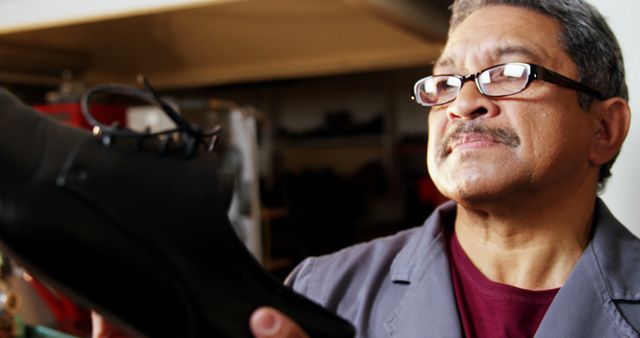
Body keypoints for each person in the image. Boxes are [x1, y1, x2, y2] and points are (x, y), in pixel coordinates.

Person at [94, 0, 637, 337]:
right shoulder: (320, 290)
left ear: (604, 130)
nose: (463, 104)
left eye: (510, 72)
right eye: (446, 82)